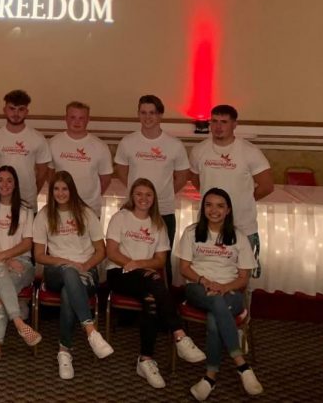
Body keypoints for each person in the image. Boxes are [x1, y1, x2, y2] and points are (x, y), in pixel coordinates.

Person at [105, 178, 205, 389]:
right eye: (139, 194)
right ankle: (179, 334)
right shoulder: (120, 217)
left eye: (148, 195)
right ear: (132, 196)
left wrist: (140, 265)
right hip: (119, 273)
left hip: (146, 278)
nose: (143, 198)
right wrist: (134, 265)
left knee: (151, 299)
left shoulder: (158, 223)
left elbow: (160, 260)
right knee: (154, 280)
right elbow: (111, 252)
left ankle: (145, 359)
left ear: (154, 199)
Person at [177, 188, 263, 400]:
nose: (213, 210)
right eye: (209, 205)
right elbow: (184, 268)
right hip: (198, 288)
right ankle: (241, 365)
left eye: (220, 206)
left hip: (230, 292)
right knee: (215, 303)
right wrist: (205, 281)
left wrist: (224, 287)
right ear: (203, 208)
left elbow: (244, 278)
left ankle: (210, 377)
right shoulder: (191, 232)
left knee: (216, 316)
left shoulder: (239, 237)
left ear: (228, 210)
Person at [33, 171, 113, 380]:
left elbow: (101, 251)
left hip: (86, 271)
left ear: (72, 190)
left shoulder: (86, 213)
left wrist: (84, 266)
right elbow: (39, 255)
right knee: (69, 273)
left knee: (70, 291)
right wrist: (68, 263)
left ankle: (64, 351)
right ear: (51, 192)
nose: (60, 193)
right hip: (55, 271)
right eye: (56, 189)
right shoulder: (44, 215)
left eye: (64, 189)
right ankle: (90, 330)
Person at [189, 104, 273, 276]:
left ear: (234, 124)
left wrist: (241, 201)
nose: (218, 127)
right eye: (214, 121)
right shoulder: (199, 151)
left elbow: (266, 186)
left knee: (242, 277)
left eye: (224, 122)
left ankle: (241, 304)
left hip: (242, 225)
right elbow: (196, 180)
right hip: (209, 225)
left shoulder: (250, 152)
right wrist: (215, 205)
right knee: (209, 273)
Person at [114, 94, 190, 281]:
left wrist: (159, 196)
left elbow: (181, 177)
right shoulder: (128, 142)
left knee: (162, 261)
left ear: (160, 115)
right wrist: (139, 197)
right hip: (133, 211)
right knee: (130, 256)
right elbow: (122, 172)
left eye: (153, 113)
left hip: (163, 211)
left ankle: (165, 302)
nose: (148, 117)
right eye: (143, 113)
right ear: (138, 114)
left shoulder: (174, 145)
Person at [0, 165, 41, 374]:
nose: (4, 184)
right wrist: (3, 260)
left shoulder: (25, 210)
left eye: (9, 180)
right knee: (2, 274)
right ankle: (19, 323)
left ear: (15, 184)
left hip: (22, 264)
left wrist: (5, 257)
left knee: (0, 290)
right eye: (0, 180)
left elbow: (28, 243)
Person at [0, 89, 51, 209]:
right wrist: (3, 190)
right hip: (2, 200)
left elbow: (42, 173)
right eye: (12, 108)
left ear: (27, 112)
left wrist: (32, 192)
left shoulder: (38, 138)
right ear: (4, 110)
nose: (16, 113)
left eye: (21, 109)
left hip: (28, 200)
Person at [49, 101, 113, 219]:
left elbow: (106, 179)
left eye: (81, 118)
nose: (77, 122)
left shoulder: (100, 146)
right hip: (60, 207)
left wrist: (90, 196)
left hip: (89, 208)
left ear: (88, 120)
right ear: (66, 118)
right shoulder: (53, 143)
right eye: (73, 117)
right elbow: (50, 175)